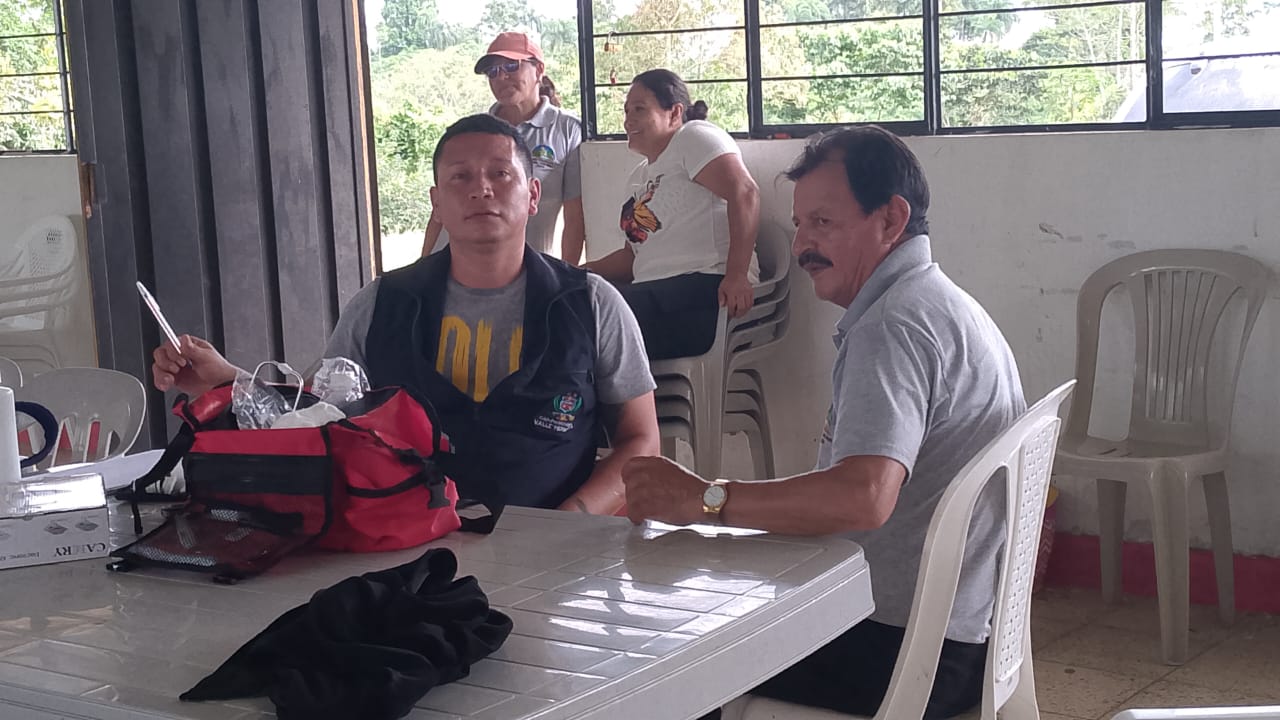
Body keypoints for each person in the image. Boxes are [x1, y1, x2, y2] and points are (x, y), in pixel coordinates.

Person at [622, 126, 1026, 718]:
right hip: (961, 640)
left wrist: (705, 499)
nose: (803, 245)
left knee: (666, 662)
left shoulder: (893, 326)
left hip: (902, 651)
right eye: (800, 224)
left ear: (891, 219)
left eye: (823, 223)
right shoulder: (941, 302)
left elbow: (862, 497)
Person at [154, 114, 659, 515]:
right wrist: (228, 383)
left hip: (553, 550)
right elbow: (316, 417)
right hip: (406, 543)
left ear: (532, 195)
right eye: (460, 177)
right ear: (437, 202)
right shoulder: (382, 303)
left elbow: (640, 438)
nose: (481, 189)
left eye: (500, 174)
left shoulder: (591, 303)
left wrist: (573, 518)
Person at [583, 69, 760, 360]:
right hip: (655, 297)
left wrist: (737, 275)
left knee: (588, 314)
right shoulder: (638, 177)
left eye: (640, 109)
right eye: (626, 111)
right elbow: (631, 259)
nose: (628, 120)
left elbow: (744, 192)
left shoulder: (693, 137)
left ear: (675, 112)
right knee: (573, 299)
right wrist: (576, 273)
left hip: (706, 290)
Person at [421, 32, 587, 264]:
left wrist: (566, 276)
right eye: (492, 71)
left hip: (528, 268)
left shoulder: (568, 130)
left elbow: (575, 216)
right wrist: (423, 265)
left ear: (539, 69)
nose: (501, 77)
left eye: (511, 66)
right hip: (453, 264)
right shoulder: (473, 131)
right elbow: (440, 209)